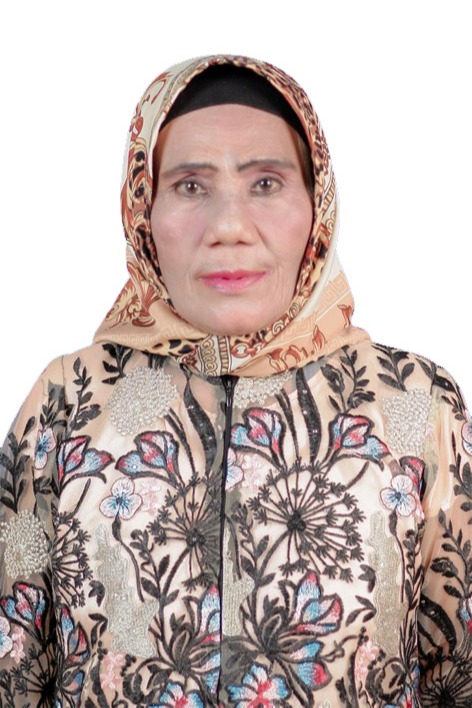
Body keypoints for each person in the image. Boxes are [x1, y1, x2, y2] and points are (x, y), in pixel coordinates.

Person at [0, 54, 471, 707]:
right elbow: (14, 668)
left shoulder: (415, 402)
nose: (227, 227)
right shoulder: (69, 399)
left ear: (317, 205)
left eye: (266, 183)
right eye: (191, 185)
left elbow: (458, 671)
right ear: (143, 209)